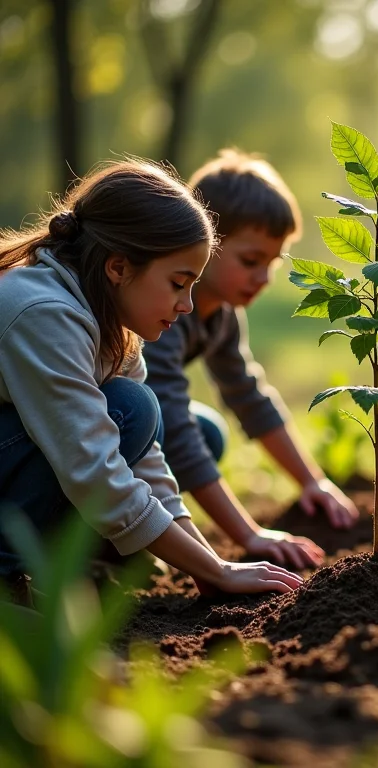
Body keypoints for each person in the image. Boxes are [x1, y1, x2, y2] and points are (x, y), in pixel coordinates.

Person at [0, 160, 303, 606]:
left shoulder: (115, 322)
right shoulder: (43, 314)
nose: (187, 305)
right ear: (118, 267)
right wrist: (216, 568)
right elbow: (95, 471)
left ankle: (82, 553)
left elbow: (148, 464)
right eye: (179, 283)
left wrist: (205, 563)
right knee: (131, 409)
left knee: (144, 414)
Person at [143, 150, 357, 569]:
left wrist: (313, 481)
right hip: (80, 433)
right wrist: (248, 534)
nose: (264, 278)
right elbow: (171, 422)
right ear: (203, 243)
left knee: (207, 432)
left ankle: (121, 539)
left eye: (273, 263)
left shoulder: (223, 315)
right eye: (250, 261)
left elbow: (250, 398)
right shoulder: (160, 310)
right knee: (181, 427)